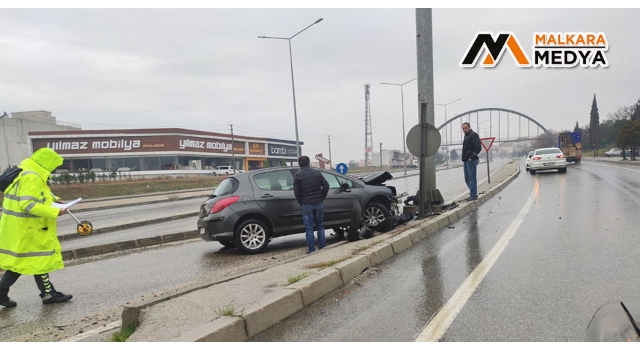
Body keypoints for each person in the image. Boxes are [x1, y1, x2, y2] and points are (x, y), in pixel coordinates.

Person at [0, 148, 73, 308]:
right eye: (53, 166)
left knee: (29, 262)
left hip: (21, 227)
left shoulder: (29, 173)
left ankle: (47, 294)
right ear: (46, 163)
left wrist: (55, 200)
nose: (53, 170)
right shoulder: (32, 177)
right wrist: (56, 211)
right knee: (33, 261)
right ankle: (47, 294)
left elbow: (38, 196)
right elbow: (28, 204)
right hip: (28, 228)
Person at [293, 155, 329, 254]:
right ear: (309, 163)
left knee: (309, 228)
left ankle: (312, 249)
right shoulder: (317, 173)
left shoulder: (297, 175)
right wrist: (321, 197)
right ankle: (322, 246)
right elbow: (326, 185)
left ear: (299, 164)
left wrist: (302, 202)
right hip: (318, 203)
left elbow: (296, 192)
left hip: (307, 204)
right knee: (320, 225)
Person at [461, 122, 482, 201]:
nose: (464, 130)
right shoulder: (466, 136)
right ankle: (473, 192)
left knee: (471, 178)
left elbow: (478, 147)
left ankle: (473, 195)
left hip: (471, 160)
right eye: (463, 128)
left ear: (469, 127)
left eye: (465, 128)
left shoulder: (473, 135)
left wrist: (472, 157)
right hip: (466, 160)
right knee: (467, 178)